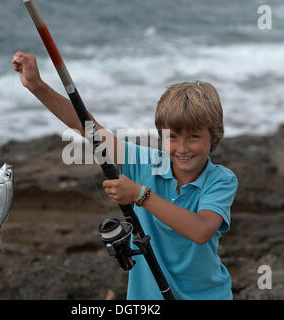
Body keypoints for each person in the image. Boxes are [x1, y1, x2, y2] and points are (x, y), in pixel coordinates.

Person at [12, 51, 238, 300]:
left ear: (213, 136)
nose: (182, 148)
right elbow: (87, 127)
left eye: (194, 137)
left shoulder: (220, 180)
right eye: (172, 136)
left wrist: (140, 194)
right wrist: (37, 86)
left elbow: (201, 230)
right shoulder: (143, 162)